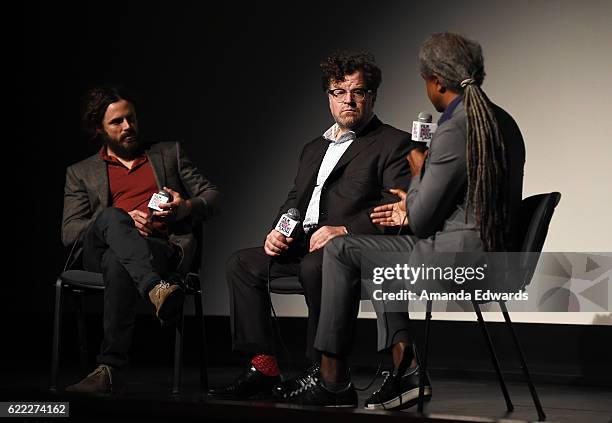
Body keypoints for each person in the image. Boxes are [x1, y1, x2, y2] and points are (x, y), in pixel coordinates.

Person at [286, 32, 526, 408]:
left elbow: (424, 220)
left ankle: (334, 377)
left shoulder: (456, 126)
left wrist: (416, 178)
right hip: (499, 256)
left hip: (459, 261)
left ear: (436, 81)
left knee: (344, 249)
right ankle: (405, 367)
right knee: (372, 252)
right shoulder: (503, 121)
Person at [208, 53, 418, 400]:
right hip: (304, 241)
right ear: (329, 97)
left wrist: (345, 231)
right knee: (242, 264)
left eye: (358, 91)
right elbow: (295, 200)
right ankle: (263, 367)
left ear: (373, 96)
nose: (348, 100)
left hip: (351, 251)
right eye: (339, 91)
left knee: (316, 264)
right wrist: (279, 229)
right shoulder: (312, 148)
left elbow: (395, 205)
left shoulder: (393, 143)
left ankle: (324, 373)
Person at [62, 86, 220, 394]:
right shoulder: (80, 173)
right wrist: (119, 219)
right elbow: (70, 231)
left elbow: (212, 196)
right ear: (99, 129)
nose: (127, 127)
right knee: (111, 218)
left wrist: (185, 207)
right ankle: (155, 290)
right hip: (100, 249)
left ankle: (108, 368)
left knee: (118, 261)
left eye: (131, 119)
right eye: (117, 122)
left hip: (159, 248)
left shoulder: (167, 153)